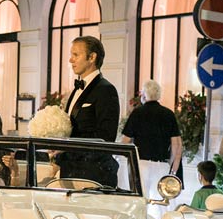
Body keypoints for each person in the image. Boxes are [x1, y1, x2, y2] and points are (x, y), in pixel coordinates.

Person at [59, 36, 120, 186]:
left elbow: (105, 138)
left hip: (93, 176)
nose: (70, 60)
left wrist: (69, 148)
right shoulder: (76, 89)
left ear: (92, 57)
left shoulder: (106, 90)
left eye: (75, 55)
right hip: (70, 171)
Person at [121, 79, 183, 199]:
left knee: (140, 200)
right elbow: (176, 144)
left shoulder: (137, 113)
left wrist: (117, 158)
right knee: (161, 202)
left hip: (141, 164)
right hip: (161, 165)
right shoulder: (169, 114)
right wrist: (172, 166)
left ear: (144, 94)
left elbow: (126, 140)